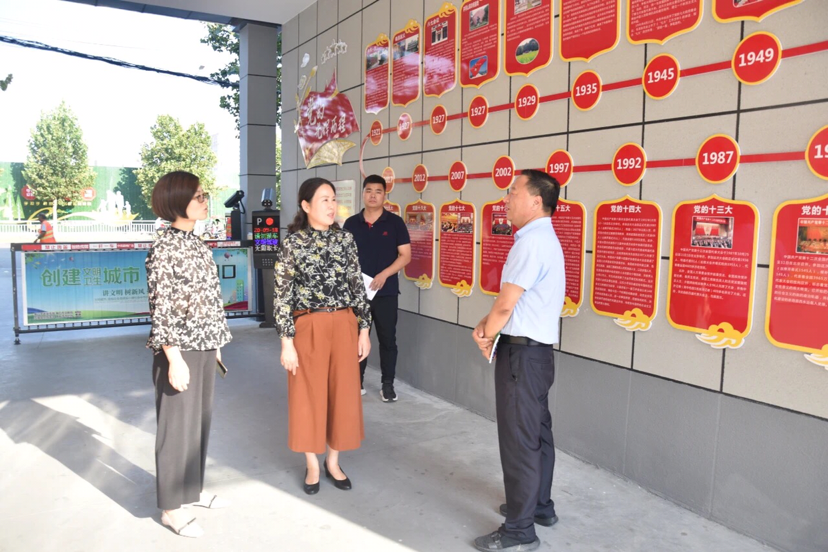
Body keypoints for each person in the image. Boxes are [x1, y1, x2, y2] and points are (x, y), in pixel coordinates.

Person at [471, 170, 565, 552]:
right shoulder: (545, 239)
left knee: (519, 442)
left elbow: (506, 305)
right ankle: (539, 506)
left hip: (521, 358)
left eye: (513, 192)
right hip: (537, 354)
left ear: (536, 201)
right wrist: (489, 325)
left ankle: (519, 531)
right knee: (537, 433)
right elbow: (512, 303)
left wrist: (486, 334)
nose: (506, 199)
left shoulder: (530, 242)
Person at [145, 171, 232, 538]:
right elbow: (161, 307)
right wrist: (173, 357)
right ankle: (170, 508)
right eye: (197, 196)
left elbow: (209, 297)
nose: (204, 200)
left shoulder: (197, 242)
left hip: (205, 344)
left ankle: (192, 490)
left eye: (203, 194)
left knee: (198, 424)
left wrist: (216, 343)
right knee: (176, 430)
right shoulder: (164, 247)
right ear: (177, 201)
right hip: (179, 350)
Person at [274, 177, 372, 495]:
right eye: (324, 200)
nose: (331, 206)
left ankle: (333, 461)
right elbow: (282, 296)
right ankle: (312, 465)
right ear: (306, 205)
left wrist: (364, 329)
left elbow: (357, 286)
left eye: (333, 199)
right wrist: (286, 342)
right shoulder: (293, 243)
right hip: (308, 326)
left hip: (344, 323)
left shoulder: (345, 240)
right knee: (307, 396)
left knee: (342, 394)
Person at [343, 174, 411, 401]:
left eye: (378, 191)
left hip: (386, 293)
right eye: (369, 191)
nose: (373, 195)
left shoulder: (395, 223)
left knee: (387, 340)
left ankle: (387, 385)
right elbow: (343, 257)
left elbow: (405, 255)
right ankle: (357, 382)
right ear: (363, 193)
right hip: (357, 294)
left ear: (385, 195)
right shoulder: (351, 224)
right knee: (356, 339)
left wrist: (384, 275)